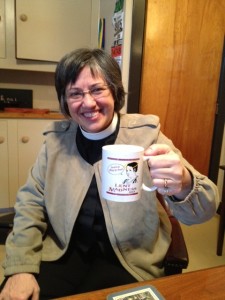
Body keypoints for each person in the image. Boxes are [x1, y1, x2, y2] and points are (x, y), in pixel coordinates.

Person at [0, 48, 219, 299]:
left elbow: (205, 209)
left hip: (131, 259)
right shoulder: (56, 142)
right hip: (63, 252)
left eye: (97, 89)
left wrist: (183, 183)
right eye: (75, 93)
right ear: (65, 101)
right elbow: (30, 203)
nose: (88, 103)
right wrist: (20, 268)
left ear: (114, 91)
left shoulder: (146, 135)